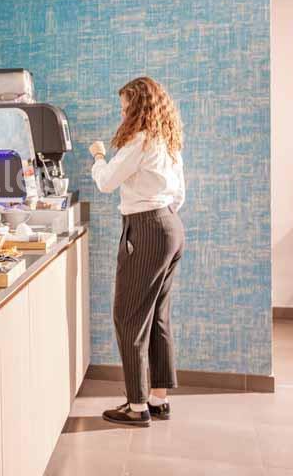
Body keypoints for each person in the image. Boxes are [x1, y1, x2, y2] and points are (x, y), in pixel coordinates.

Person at [89, 76, 185, 428]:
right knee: (157, 317)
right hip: (171, 226)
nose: (122, 113)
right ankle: (158, 399)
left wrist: (98, 156)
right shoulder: (168, 140)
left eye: (124, 107)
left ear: (139, 107)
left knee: (128, 317)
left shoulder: (141, 140)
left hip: (145, 229)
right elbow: (179, 194)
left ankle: (136, 405)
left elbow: (106, 182)